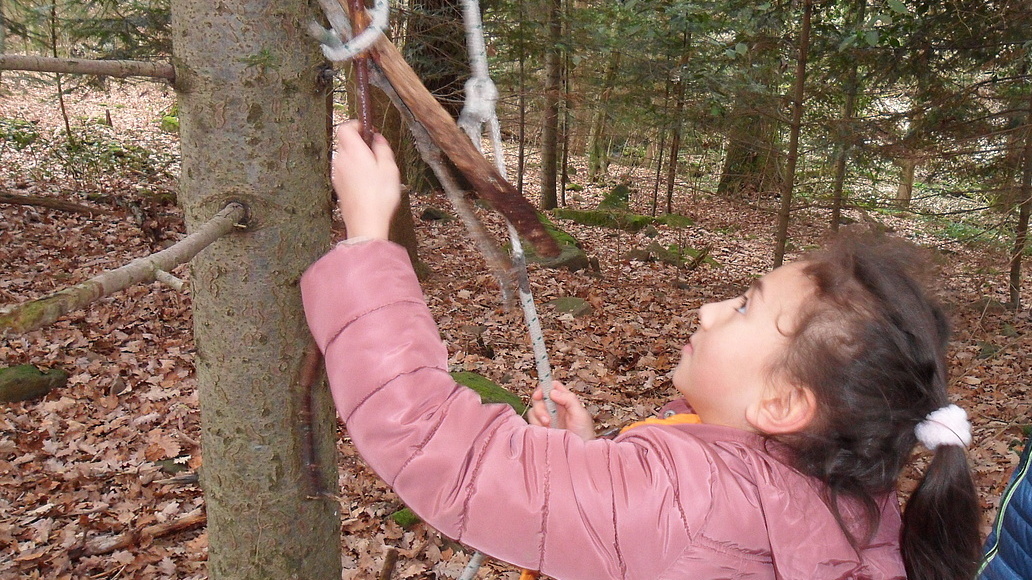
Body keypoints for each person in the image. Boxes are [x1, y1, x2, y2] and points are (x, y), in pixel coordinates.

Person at [301, 121, 981, 579]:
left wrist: (368, 237)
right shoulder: (859, 502)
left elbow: (434, 441)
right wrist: (593, 463)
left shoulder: (684, 505)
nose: (710, 311)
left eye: (744, 307)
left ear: (782, 404)